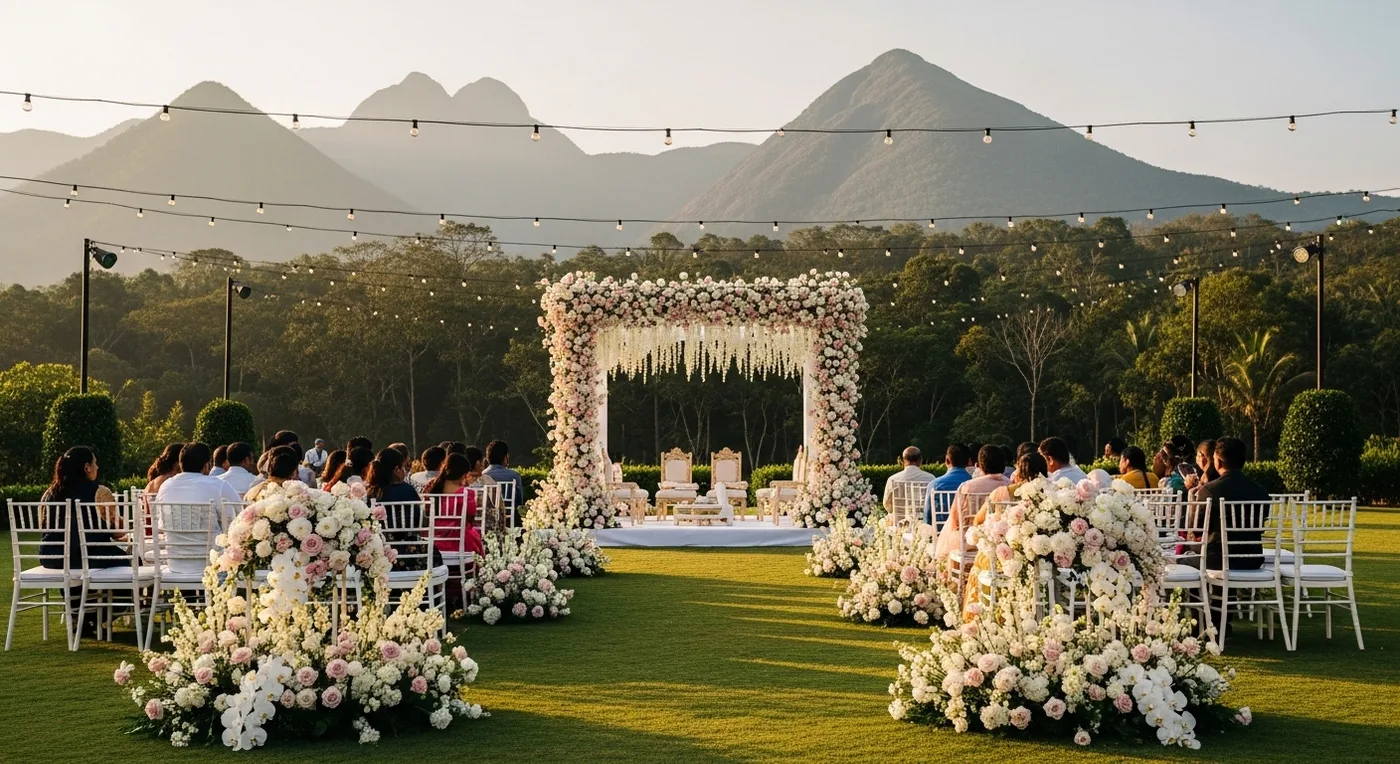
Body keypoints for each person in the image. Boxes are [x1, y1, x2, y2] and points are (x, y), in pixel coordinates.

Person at [39, 447, 126, 639]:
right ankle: (91, 616)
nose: (97, 467)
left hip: (53, 556)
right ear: (87, 467)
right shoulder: (100, 492)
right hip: (89, 554)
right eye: (95, 463)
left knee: (71, 566)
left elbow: (44, 526)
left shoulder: (49, 494)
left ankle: (78, 613)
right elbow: (118, 532)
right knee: (134, 565)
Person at [961, 452, 1049, 618]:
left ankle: (988, 615)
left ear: (1019, 470)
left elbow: (978, 522)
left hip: (1003, 558)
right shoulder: (1050, 494)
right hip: (1040, 559)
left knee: (981, 563)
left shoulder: (1001, 493)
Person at [936, 446, 1009, 560]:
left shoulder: (967, 486)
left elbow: (955, 520)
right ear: (1004, 465)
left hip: (970, 541)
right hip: (1003, 542)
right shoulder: (1010, 486)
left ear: (980, 465)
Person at [155, 442, 245, 529]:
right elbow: (239, 513)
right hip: (211, 544)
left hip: (171, 543)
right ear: (206, 466)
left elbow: (158, 517)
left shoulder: (165, 486)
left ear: (181, 464)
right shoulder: (219, 485)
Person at [426, 453, 484, 560]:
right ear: (463, 474)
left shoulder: (431, 487)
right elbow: (471, 518)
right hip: (459, 542)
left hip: (434, 541)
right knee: (473, 532)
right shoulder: (465, 493)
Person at [922, 444, 972, 525]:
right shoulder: (973, 483)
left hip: (939, 533)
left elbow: (927, 517)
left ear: (947, 460)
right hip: (967, 533)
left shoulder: (934, 485)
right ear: (969, 461)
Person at [881, 446, 937, 511]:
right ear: (920, 460)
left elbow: (886, 504)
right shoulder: (931, 479)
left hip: (898, 519)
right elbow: (934, 502)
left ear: (902, 461)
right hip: (922, 520)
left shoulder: (892, 480)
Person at [482, 440, 524, 508]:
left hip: (488, 515)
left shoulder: (482, 476)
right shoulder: (514, 476)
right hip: (509, 514)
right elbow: (519, 501)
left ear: (487, 457)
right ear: (505, 457)